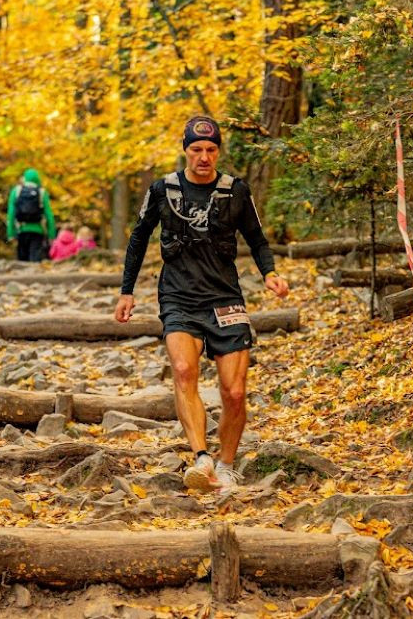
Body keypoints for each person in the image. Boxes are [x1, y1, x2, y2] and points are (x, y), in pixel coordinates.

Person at [114, 115, 289, 494]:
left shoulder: (235, 191)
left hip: (225, 297)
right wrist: (127, 291)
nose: (204, 157)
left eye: (210, 150)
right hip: (178, 297)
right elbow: (138, 238)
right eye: (196, 150)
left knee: (235, 392)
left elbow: (257, 239)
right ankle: (200, 457)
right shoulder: (163, 190)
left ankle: (226, 465)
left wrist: (269, 273)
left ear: (218, 152)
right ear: (186, 151)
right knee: (182, 369)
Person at [6, 169, 57, 262]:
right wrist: (51, 235)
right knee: (35, 260)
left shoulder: (16, 191)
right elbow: (49, 215)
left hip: (21, 230)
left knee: (22, 261)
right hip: (38, 231)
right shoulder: (42, 192)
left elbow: (11, 214)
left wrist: (10, 233)